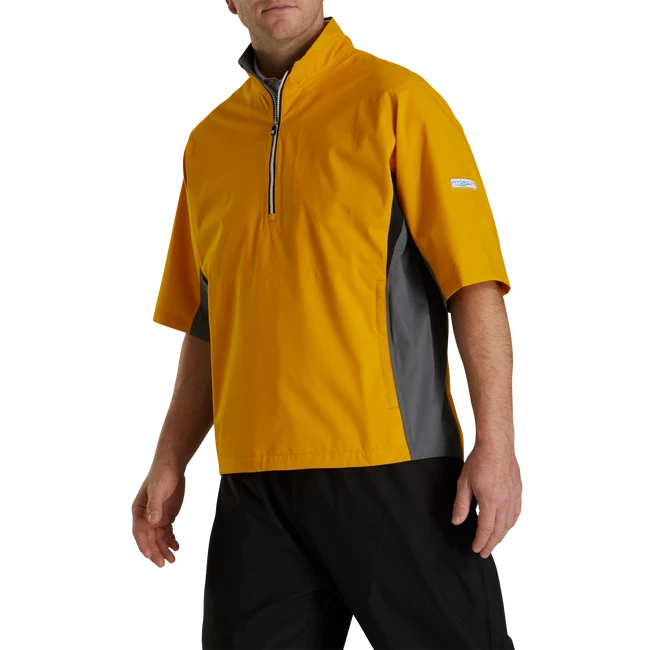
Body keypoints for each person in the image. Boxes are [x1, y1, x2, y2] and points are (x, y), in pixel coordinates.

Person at [130, 1, 526, 648]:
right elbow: (208, 321)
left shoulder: (399, 99)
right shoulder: (208, 143)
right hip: (252, 486)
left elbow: (475, 282)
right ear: (228, 2)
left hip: (397, 470)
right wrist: (170, 457)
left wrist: (499, 446)